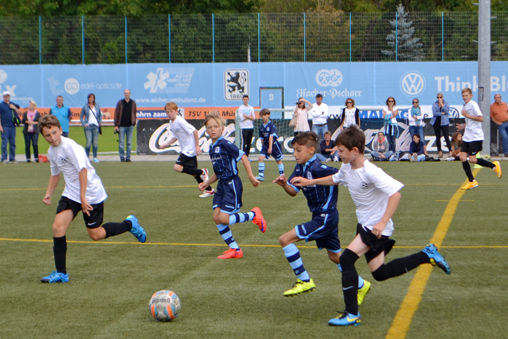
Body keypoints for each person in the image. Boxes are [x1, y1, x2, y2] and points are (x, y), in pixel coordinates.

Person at [290, 126, 451, 326]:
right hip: (365, 225)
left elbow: (396, 194)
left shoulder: (371, 171)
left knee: (346, 259)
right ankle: (426, 255)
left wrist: (382, 223)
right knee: (380, 273)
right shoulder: (347, 167)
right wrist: (308, 182)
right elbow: (335, 179)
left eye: (340, 151)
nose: (337, 154)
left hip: (375, 228)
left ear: (354, 151)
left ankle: (351, 314)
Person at [38, 115, 146, 283]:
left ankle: (130, 224)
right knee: (57, 228)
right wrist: (49, 193)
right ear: (43, 136)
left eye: (54, 132)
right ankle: (61, 273)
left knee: (95, 234)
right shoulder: (52, 152)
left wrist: (83, 197)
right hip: (71, 194)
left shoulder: (71, 147)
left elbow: (83, 171)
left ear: (60, 130)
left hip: (90, 193)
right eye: (47, 135)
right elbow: (55, 174)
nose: (52, 138)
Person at [272, 131, 371, 303]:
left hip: (325, 217)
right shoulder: (299, 168)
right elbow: (293, 192)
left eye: (298, 150)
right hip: (322, 217)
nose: (295, 154)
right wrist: (283, 185)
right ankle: (361, 285)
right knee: (335, 257)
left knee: (285, 239)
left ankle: (304, 280)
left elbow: (341, 175)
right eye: (294, 150)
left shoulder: (318, 168)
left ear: (311, 151)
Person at [198, 112, 266, 259]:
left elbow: (243, 156)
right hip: (222, 185)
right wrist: (207, 183)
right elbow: (218, 171)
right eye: (209, 127)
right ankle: (235, 249)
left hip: (231, 184)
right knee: (217, 217)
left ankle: (254, 215)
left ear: (222, 129)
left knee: (224, 218)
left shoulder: (225, 144)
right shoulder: (212, 147)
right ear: (206, 130)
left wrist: (251, 176)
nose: (213, 129)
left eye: (216, 126)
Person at [159, 102, 214, 198]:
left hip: (189, 149)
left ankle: (202, 172)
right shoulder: (171, 123)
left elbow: (194, 131)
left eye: (171, 111)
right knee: (193, 173)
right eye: (167, 112)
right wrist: (166, 144)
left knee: (177, 167)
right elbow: (174, 137)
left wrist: (197, 146)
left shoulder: (180, 121)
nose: (169, 114)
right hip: (186, 149)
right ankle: (209, 190)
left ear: (176, 111)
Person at [458, 88, 502, 190]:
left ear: (471, 95)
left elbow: (480, 118)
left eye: (466, 95)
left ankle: (494, 166)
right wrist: (463, 126)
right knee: (462, 157)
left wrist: (467, 115)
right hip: (467, 136)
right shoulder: (465, 105)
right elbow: (469, 120)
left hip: (475, 136)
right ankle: (472, 181)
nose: (464, 97)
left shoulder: (473, 104)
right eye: (463, 95)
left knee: (473, 159)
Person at [256, 108, 284, 181]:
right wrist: (263, 147)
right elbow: (261, 137)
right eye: (262, 115)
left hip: (273, 145)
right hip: (265, 145)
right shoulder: (261, 126)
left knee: (278, 160)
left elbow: (271, 136)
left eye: (265, 115)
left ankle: (282, 175)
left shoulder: (271, 125)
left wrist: (270, 147)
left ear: (268, 115)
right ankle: (261, 175)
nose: (263, 117)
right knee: (260, 158)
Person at [114, 89, 137, 162]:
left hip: (130, 125)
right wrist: (116, 125)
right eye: (125, 93)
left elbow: (134, 113)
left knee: (129, 143)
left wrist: (134, 122)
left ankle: (128, 157)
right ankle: (121, 157)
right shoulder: (120, 103)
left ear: (130, 93)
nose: (126, 94)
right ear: (124, 94)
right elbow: (116, 113)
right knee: (121, 143)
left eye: (127, 93)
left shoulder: (133, 103)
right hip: (122, 125)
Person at [80, 93, 102, 163]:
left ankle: (95, 157)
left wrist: (100, 122)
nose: (91, 99)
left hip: (95, 126)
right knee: (88, 142)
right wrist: (84, 123)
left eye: (92, 98)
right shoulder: (85, 107)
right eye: (90, 98)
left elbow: (100, 115)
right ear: (88, 99)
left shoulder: (97, 106)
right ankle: (86, 157)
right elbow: (81, 116)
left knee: (95, 143)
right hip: (88, 126)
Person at [0, 91, 21, 164]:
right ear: (3, 96)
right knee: (4, 143)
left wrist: (14, 108)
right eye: (5, 96)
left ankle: (12, 158)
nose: (6, 97)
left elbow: (19, 113)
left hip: (12, 126)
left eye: (8, 96)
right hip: (4, 126)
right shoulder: (1, 105)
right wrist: (0, 126)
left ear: (9, 96)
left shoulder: (13, 104)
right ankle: (4, 158)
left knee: (12, 143)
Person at [431, 92, 452, 158]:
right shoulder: (434, 104)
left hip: (444, 121)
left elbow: (447, 111)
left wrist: (442, 105)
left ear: (442, 97)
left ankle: (450, 150)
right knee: (438, 137)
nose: (439, 99)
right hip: (436, 121)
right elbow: (434, 113)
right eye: (438, 97)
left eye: (440, 97)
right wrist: (441, 113)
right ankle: (440, 151)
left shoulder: (446, 103)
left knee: (446, 136)